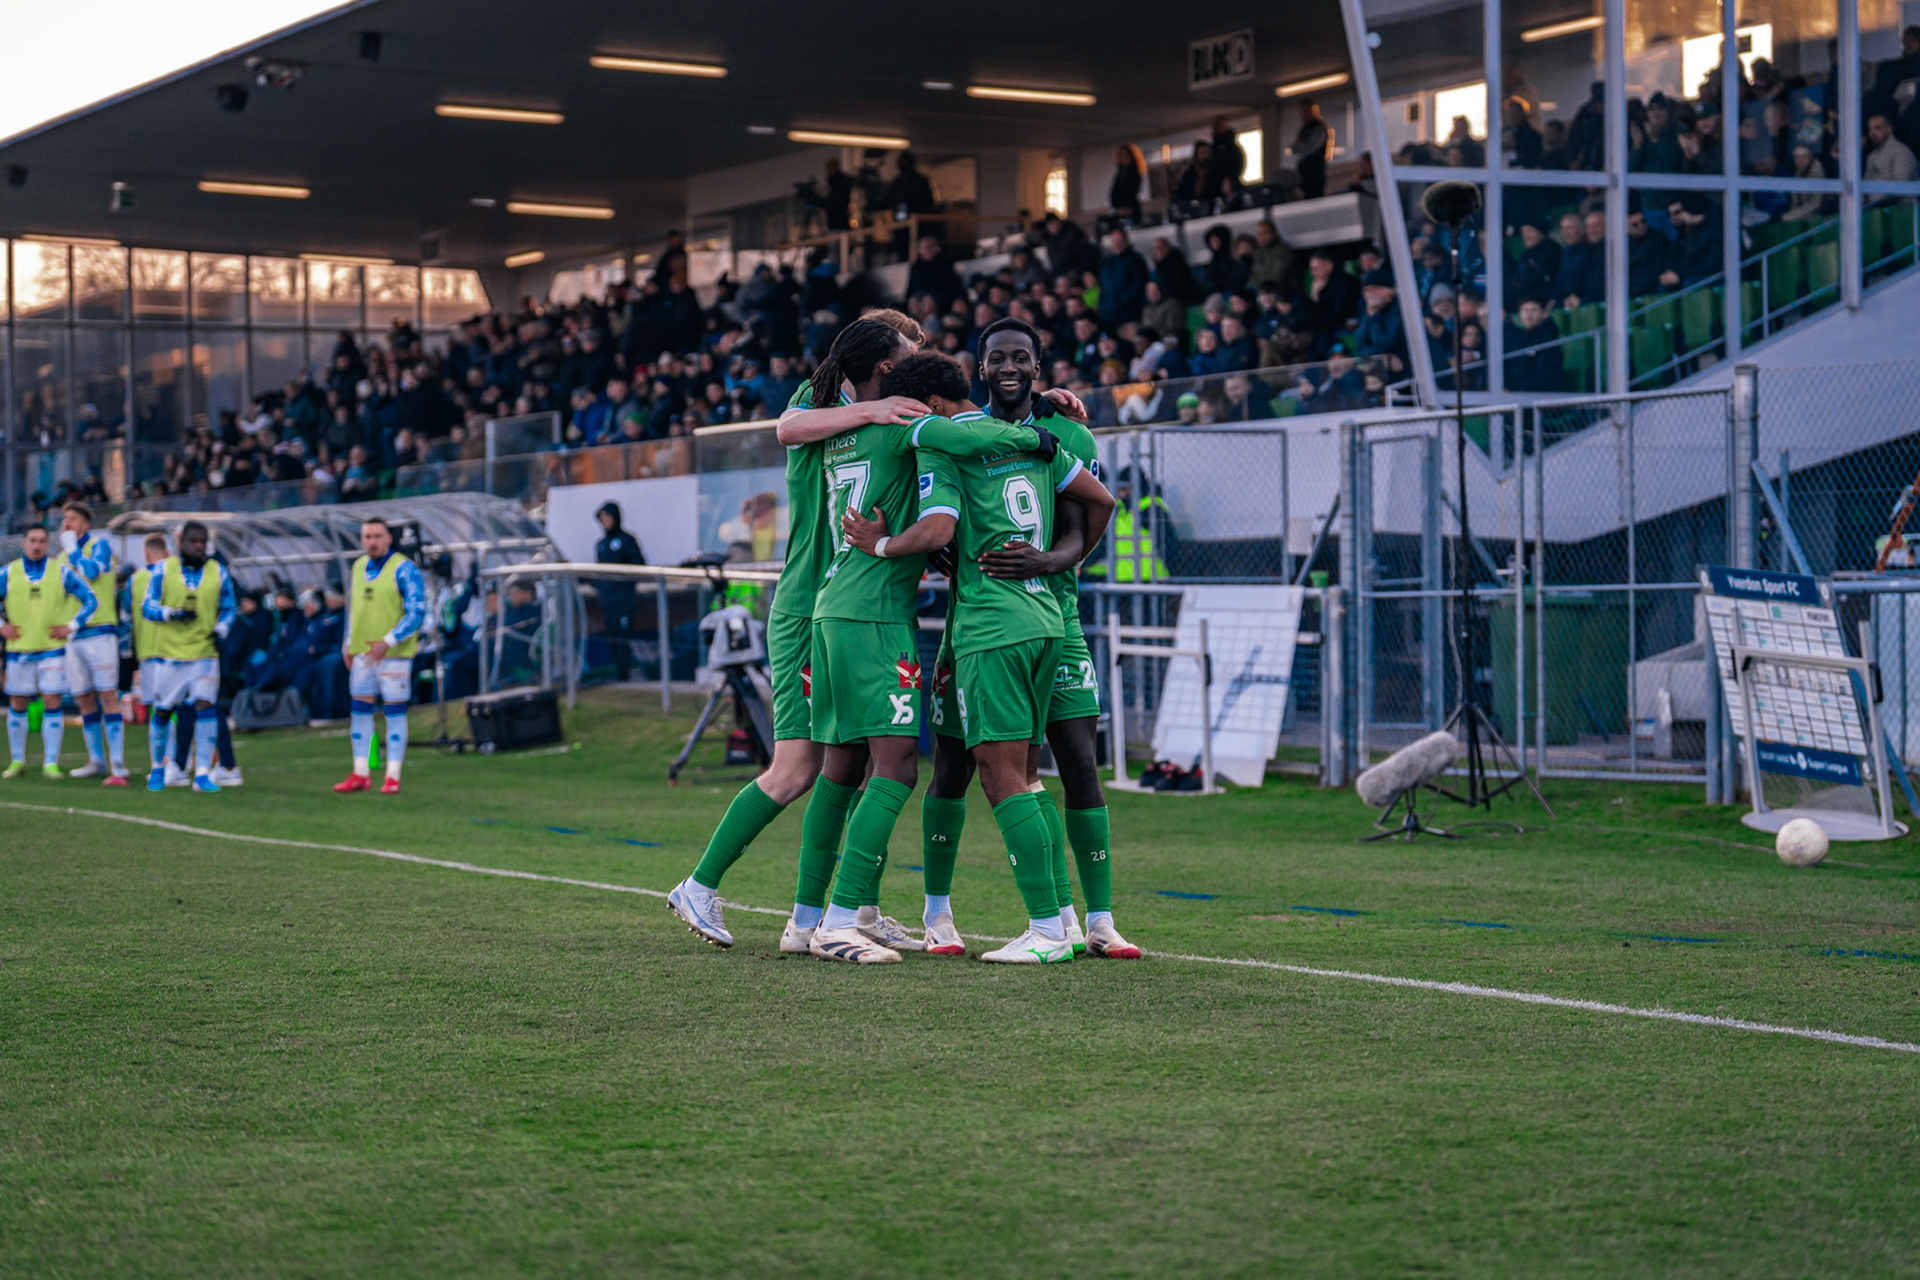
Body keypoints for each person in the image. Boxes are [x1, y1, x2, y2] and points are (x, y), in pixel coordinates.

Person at [840, 318, 1117, 964]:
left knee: (998, 778)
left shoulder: (944, 442)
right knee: (1028, 774)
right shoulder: (1038, 439)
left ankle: (1047, 930)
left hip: (990, 628)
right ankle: (1069, 924)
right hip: (1049, 621)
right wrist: (1052, 562)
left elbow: (936, 530)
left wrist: (880, 543)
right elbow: (1102, 501)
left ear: (929, 403)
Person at [790, 347, 1061, 966]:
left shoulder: (841, 431)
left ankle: (807, 920)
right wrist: (1037, 431)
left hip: (832, 605)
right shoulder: (914, 430)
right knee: (896, 769)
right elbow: (958, 445)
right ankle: (841, 920)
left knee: (840, 769)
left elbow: (788, 427)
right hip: (877, 612)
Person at [333, 517, 427, 794]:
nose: (371, 542)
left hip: (394, 654)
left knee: (394, 711)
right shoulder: (358, 566)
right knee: (360, 710)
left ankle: (393, 775)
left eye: (377, 536)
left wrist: (388, 641)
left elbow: (417, 612)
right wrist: (348, 641)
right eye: (367, 537)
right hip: (363, 653)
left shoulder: (405, 568)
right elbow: (354, 609)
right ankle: (361, 771)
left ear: (389, 538)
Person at [139, 521, 235, 792]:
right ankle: (158, 767)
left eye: (202, 541)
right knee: (163, 711)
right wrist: (171, 613)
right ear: (181, 543)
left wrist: (221, 629)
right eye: (193, 541)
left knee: (205, 706)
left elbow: (229, 607)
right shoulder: (163, 570)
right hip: (169, 656)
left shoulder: (219, 573)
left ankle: (202, 773)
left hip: (204, 654)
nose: (199, 546)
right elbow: (147, 607)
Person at [1, 524, 98, 779]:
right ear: (24, 543)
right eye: (32, 540)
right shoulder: (8, 573)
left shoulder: (61, 572)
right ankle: (17, 761)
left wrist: (72, 626)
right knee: (17, 703)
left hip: (52, 650)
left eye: (42, 541)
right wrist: (1, 626)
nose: (36, 545)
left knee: (52, 701)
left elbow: (91, 599)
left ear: (48, 544)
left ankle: (50, 763)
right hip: (18, 650)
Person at [56, 503, 129, 783]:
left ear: (86, 524)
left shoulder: (100, 546)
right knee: (84, 698)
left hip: (100, 631)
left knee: (108, 696)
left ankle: (119, 765)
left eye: (72, 519)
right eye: (64, 519)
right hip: (74, 635)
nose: (67, 524)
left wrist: (73, 549)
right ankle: (96, 760)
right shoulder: (62, 555)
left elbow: (93, 572)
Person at [125, 535, 172, 781]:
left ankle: (166, 760)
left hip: (147, 651)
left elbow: (126, 614)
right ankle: (178, 759)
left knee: (159, 710)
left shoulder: (135, 580)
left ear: (145, 554)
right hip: (176, 650)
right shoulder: (176, 575)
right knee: (181, 707)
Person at [593, 502, 646, 681]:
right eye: (602, 518)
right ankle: (618, 673)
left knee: (623, 636)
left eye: (607, 517)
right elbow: (599, 572)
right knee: (612, 636)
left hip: (624, 598)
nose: (605, 521)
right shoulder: (601, 545)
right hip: (607, 600)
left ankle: (625, 674)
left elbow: (639, 565)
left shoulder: (626, 540)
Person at [1097, 228, 1150, 327]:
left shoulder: (1136, 260)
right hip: (1108, 316)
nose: (1117, 244)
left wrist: (1118, 304)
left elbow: (1137, 288)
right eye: (1114, 241)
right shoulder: (1107, 262)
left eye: (1119, 241)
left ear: (1126, 241)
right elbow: (1103, 287)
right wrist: (1103, 307)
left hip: (1129, 315)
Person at [1292, 100, 1333, 199]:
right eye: (1303, 111)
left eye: (1307, 110)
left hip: (1316, 169)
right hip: (1304, 171)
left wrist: (1298, 147)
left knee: (1315, 196)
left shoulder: (1319, 127)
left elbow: (1312, 146)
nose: (1304, 114)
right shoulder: (1303, 129)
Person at [1109, 144, 1146, 223]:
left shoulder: (1133, 172)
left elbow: (1132, 190)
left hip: (1129, 207)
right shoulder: (1120, 173)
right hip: (1120, 207)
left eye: (1126, 155)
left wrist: (1125, 205)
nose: (1124, 158)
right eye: (1121, 156)